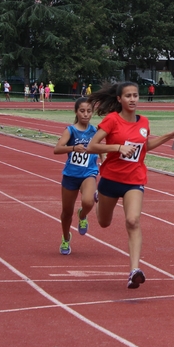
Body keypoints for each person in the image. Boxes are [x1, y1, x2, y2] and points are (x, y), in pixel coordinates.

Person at [86, 82, 174, 289]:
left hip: (134, 179)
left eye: (136, 96)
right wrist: (118, 147)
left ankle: (134, 271)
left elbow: (145, 146)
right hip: (111, 179)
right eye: (128, 96)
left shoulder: (144, 122)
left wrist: (170, 135)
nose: (133, 99)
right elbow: (91, 147)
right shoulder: (112, 120)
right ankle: (98, 199)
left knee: (133, 221)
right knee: (104, 222)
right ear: (119, 100)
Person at [53, 97, 102, 255]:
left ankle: (82, 214)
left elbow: (101, 149)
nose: (86, 114)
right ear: (76, 112)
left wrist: (105, 162)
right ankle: (66, 238)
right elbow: (57, 149)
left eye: (89, 111)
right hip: (71, 175)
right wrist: (73, 147)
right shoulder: (70, 130)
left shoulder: (95, 131)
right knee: (66, 212)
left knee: (88, 202)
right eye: (82, 111)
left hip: (89, 173)